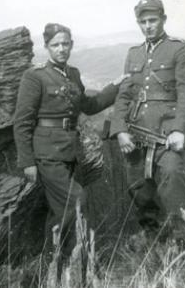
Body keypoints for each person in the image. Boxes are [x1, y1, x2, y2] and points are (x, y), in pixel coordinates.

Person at [13, 23, 126, 264]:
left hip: (71, 151)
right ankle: (52, 261)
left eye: (65, 43)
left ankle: (62, 262)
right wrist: (27, 162)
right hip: (47, 153)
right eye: (55, 44)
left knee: (63, 209)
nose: (61, 49)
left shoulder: (73, 74)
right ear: (46, 47)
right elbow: (22, 121)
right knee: (75, 201)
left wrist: (115, 88)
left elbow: (89, 105)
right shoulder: (35, 76)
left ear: (72, 45)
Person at [110, 0, 185, 242]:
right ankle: (153, 239)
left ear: (163, 20)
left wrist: (179, 129)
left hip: (166, 134)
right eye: (143, 22)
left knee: (173, 181)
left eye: (153, 20)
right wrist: (119, 129)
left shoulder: (179, 49)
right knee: (140, 189)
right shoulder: (134, 53)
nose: (148, 26)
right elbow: (124, 95)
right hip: (137, 134)